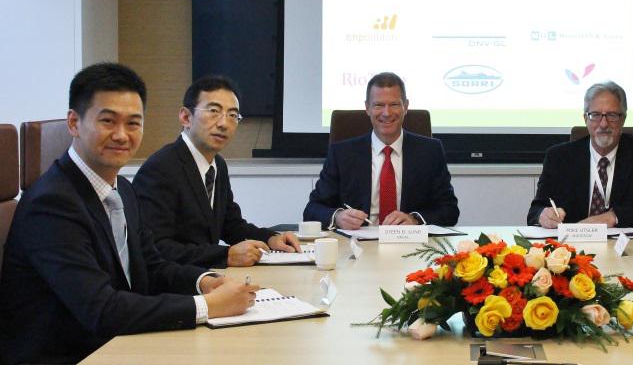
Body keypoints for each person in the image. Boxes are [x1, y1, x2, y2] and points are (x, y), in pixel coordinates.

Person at [0, 63, 258, 364]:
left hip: (114, 343)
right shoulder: (51, 204)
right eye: (108, 121)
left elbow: (151, 265)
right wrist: (206, 306)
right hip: (70, 354)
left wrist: (205, 281)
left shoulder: (121, 187)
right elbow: (102, 309)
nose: (122, 135)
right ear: (74, 123)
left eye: (133, 123)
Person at [133, 75, 300, 267]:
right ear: (186, 117)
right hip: (174, 287)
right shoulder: (161, 168)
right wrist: (225, 255)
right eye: (214, 111)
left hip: (205, 276)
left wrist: (271, 239)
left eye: (232, 115)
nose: (224, 123)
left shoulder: (217, 165)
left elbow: (230, 225)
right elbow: (157, 247)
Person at [303, 72, 459, 229]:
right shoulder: (341, 154)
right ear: (367, 108)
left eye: (394, 104)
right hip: (357, 245)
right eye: (378, 105)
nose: (386, 113)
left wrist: (415, 220)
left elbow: (450, 210)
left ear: (405, 106)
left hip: (410, 244)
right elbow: (312, 209)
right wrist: (337, 217)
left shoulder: (430, 152)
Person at [527, 81, 633, 229]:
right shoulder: (559, 157)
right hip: (573, 246)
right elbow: (535, 210)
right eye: (596, 115)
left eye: (612, 115)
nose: (604, 124)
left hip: (628, 248)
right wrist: (543, 215)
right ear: (586, 119)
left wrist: (615, 216)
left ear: (623, 119)